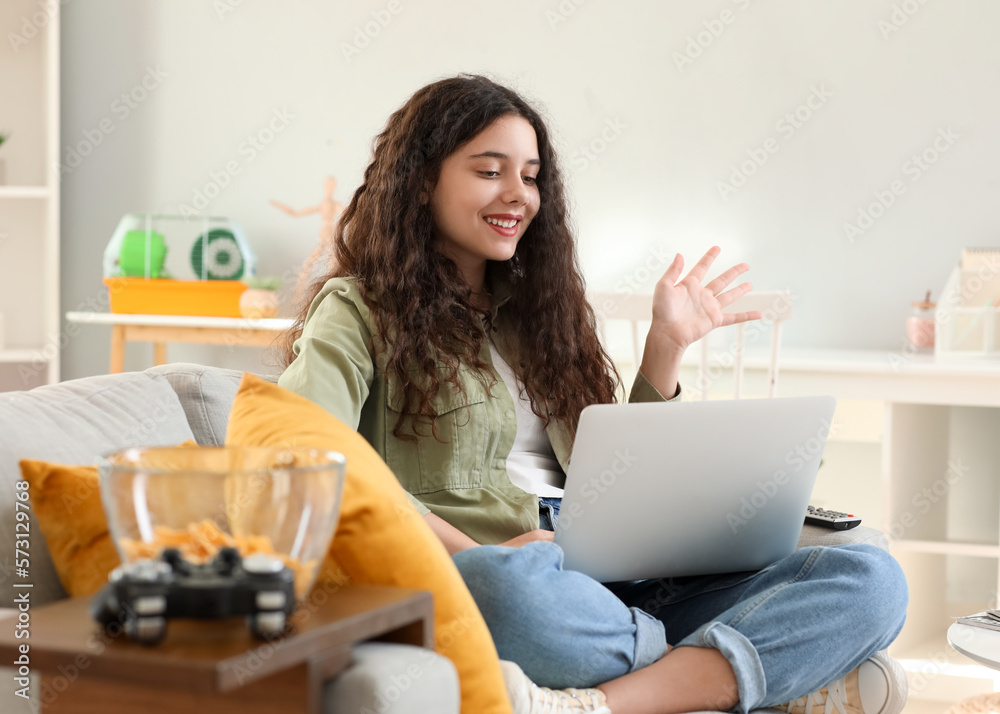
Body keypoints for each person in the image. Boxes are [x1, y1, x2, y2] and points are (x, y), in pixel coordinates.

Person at [278, 74, 908, 714]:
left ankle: (604, 701)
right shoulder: (358, 311)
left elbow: (619, 476)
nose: (517, 196)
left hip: (619, 585)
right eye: (490, 171)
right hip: (507, 579)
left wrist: (667, 347)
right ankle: (742, 671)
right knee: (509, 592)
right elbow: (313, 459)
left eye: (530, 177)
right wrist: (486, 553)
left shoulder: (541, 319)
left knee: (872, 574)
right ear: (420, 181)